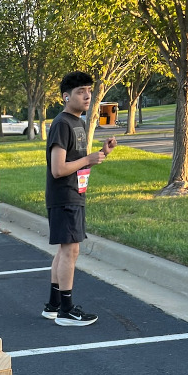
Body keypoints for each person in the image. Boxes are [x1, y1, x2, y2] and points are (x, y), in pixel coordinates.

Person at [43, 71, 117, 326]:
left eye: (88, 90)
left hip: (74, 192)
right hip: (65, 196)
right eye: (80, 91)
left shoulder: (79, 123)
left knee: (65, 250)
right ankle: (66, 310)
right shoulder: (62, 124)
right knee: (70, 251)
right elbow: (58, 169)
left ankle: (53, 306)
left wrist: (99, 154)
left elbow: (77, 165)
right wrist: (87, 159)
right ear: (66, 97)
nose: (87, 95)